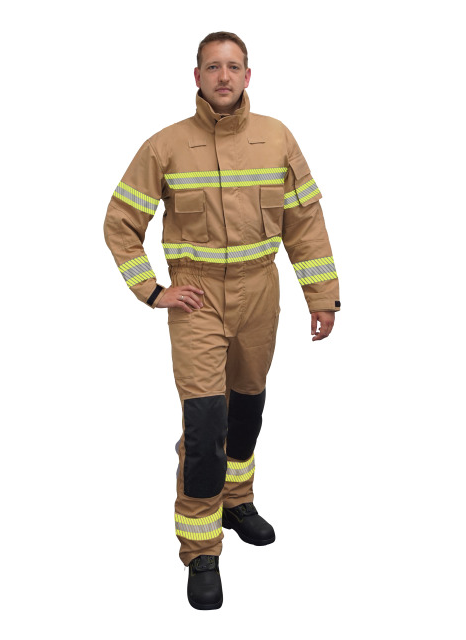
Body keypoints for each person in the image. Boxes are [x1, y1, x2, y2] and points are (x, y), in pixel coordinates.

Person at [104, 31, 340, 610]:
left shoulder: (277, 137)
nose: (224, 76)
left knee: (247, 408)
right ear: (197, 77)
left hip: (260, 293)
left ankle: (237, 501)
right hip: (197, 300)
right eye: (213, 67)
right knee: (206, 422)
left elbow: (305, 224)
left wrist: (322, 296)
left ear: (248, 75)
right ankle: (200, 548)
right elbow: (120, 222)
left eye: (234, 66)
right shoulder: (165, 146)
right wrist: (153, 290)